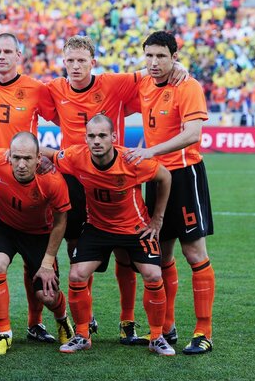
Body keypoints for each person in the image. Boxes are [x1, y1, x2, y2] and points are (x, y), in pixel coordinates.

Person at [46, 35, 187, 344]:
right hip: (74, 174)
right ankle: (87, 318)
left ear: (92, 63)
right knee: (75, 247)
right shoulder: (54, 88)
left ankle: (128, 321)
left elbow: (154, 70)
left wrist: (179, 67)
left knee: (126, 252)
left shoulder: (115, 83)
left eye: (82, 60)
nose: (76, 66)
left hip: (117, 171)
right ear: (63, 62)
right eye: (70, 60)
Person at [41, 115, 173, 355]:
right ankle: (82, 334)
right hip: (98, 227)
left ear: (113, 137)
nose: (97, 141)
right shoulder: (75, 156)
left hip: (134, 228)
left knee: (154, 274)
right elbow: (50, 153)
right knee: (77, 273)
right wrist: (24, 151)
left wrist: (157, 219)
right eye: (91, 136)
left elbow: (165, 176)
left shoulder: (132, 160)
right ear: (86, 139)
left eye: (102, 135)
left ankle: (157, 337)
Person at [124, 31, 215, 355]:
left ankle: (204, 330)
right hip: (156, 176)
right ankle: (169, 325)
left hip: (185, 174)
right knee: (161, 253)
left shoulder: (187, 86)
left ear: (174, 56)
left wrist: (151, 151)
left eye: (161, 56)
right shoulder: (143, 82)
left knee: (194, 252)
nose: (154, 62)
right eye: (149, 55)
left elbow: (193, 133)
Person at [0, 33, 59, 344]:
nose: (2, 56)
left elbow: (64, 119)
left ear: (19, 55)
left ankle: (36, 324)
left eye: (8, 51)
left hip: (26, 179)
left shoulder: (36, 89)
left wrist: (46, 158)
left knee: (32, 256)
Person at [0, 132, 74, 355]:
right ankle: (4, 333)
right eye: (16, 157)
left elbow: (61, 222)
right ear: (9, 155)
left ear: (39, 158)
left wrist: (47, 263)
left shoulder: (53, 180)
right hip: (5, 227)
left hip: (40, 233)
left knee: (47, 296)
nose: (21, 164)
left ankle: (62, 319)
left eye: (27, 159)